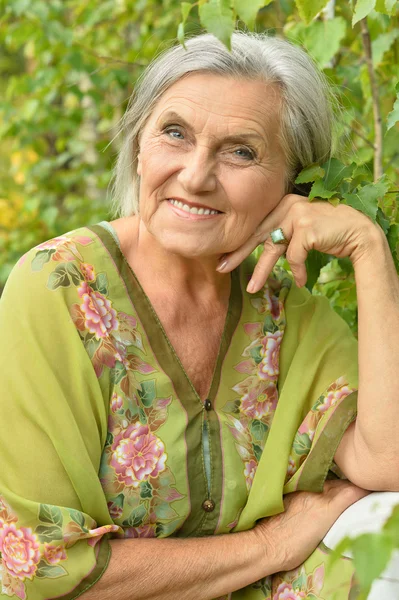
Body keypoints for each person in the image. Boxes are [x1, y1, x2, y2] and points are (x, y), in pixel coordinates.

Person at [0, 30, 398, 600]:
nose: (194, 175)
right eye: (174, 133)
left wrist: (367, 248)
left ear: (295, 185)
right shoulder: (60, 289)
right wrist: (273, 546)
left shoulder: (287, 315)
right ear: (139, 145)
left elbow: (388, 463)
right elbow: (44, 571)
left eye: (241, 151)